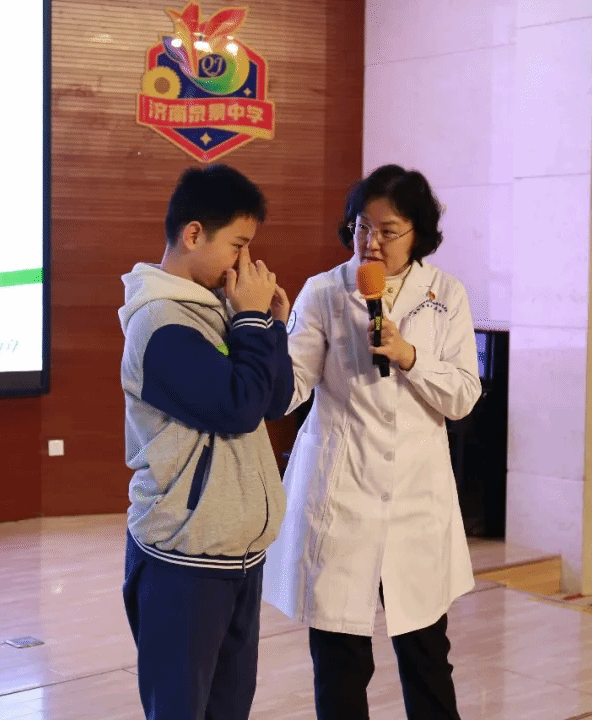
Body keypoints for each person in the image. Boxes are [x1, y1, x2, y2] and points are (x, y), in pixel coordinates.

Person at [262, 164, 481, 719]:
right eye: (363, 227)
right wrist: (268, 339)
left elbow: (462, 395)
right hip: (343, 497)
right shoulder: (324, 291)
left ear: (417, 233)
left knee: (426, 655)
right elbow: (288, 391)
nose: (372, 242)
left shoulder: (446, 294)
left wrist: (409, 356)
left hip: (416, 501)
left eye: (388, 230)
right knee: (339, 661)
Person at [117, 164, 293, 720]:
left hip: (237, 553)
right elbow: (237, 408)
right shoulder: (159, 323)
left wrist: (271, 327)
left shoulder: (216, 310)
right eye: (237, 245)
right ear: (194, 234)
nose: (244, 263)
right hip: (183, 559)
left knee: (228, 710)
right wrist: (249, 321)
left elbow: (273, 401)